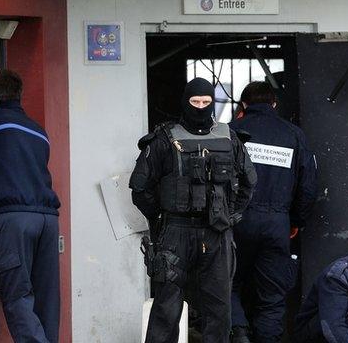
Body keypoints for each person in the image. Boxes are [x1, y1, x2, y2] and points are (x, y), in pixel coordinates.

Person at [129, 77, 257, 343]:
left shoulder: (229, 137)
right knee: (166, 308)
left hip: (217, 232)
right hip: (175, 232)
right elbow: (141, 188)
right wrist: (160, 218)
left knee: (219, 310)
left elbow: (249, 181)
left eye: (207, 102)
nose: (201, 107)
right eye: (195, 102)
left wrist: (230, 214)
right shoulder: (165, 138)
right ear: (185, 101)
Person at [229, 81, 317, 343]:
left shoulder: (229, 133)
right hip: (277, 224)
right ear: (274, 105)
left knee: (228, 284)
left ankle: (239, 333)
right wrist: (296, 221)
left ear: (243, 105)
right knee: (271, 298)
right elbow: (308, 186)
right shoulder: (293, 135)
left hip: (235, 223)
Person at [0, 70, 61, 342]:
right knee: (46, 300)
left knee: (18, 297)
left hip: (14, 220)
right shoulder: (38, 131)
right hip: (48, 219)